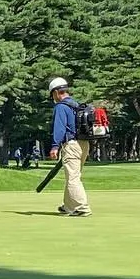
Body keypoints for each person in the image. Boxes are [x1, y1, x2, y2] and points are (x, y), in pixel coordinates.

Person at [47, 76, 90, 217]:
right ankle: (68, 206)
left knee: (72, 178)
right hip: (84, 144)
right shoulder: (76, 105)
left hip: (71, 144)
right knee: (74, 176)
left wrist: (55, 146)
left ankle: (82, 207)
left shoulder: (61, 106)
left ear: (56, 92)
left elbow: (59, 128)